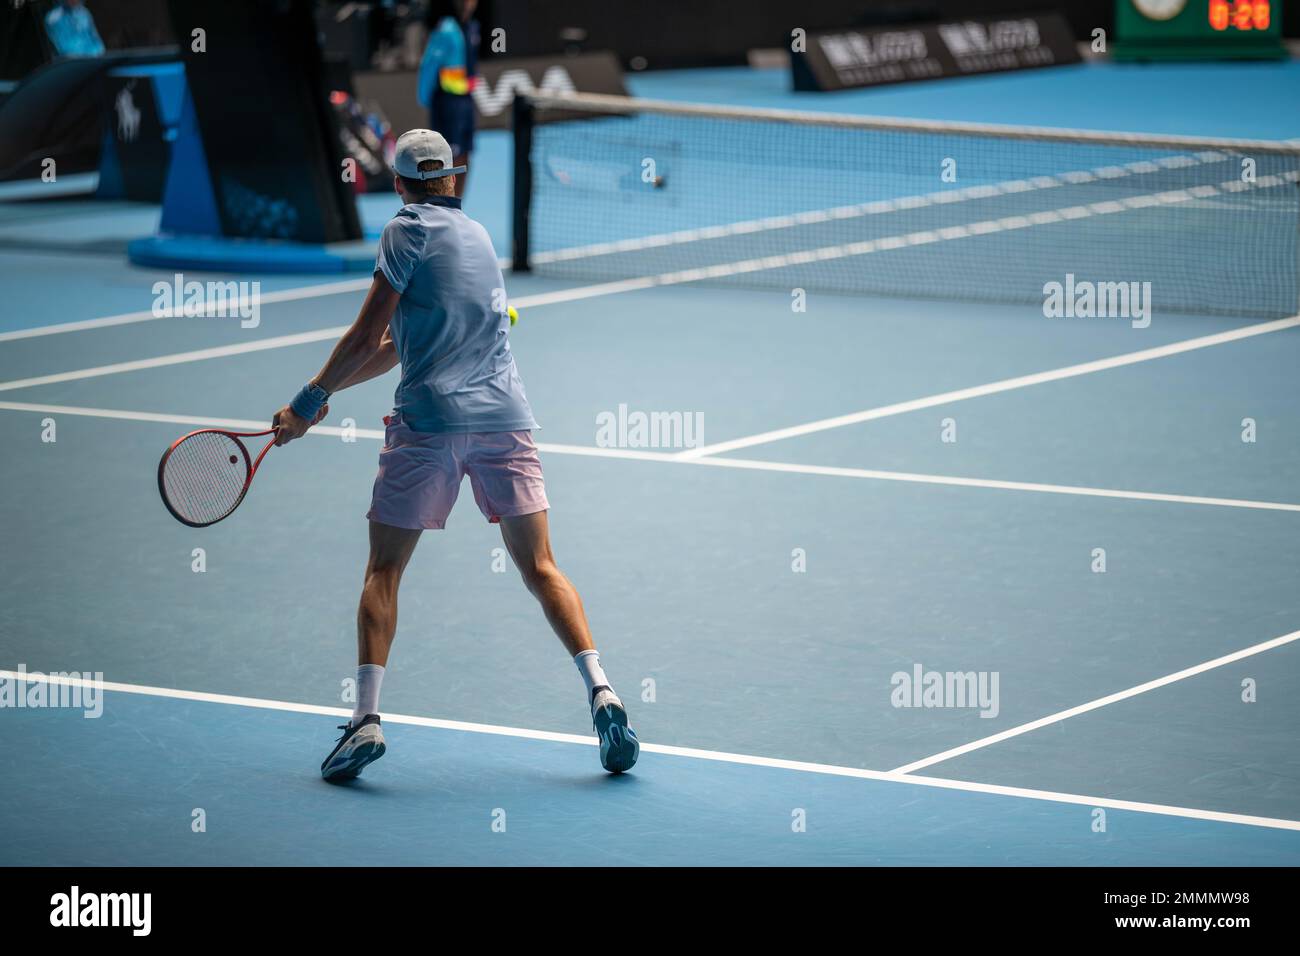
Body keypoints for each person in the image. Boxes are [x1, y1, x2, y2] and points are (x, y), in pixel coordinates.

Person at [270, 129, 639, 782]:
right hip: (506, 420)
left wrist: (307, 399)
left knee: (384, 570)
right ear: (452, 179)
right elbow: (391, 349)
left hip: (430, 424)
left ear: (401, 184)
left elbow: (365, 334)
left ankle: (366, 721)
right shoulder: (478, 237)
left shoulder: (402, 232)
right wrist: (327, 396)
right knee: (542, 567)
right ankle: (603, 690)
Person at [416, 0, 479, 198]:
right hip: (448, 104)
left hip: (466, 103)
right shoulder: (445, 31)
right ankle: (442, 205)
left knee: (465, 156)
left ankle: (457, 206)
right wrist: (426, 97)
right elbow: (428, 67)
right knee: (447, 157)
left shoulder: (471, 27)